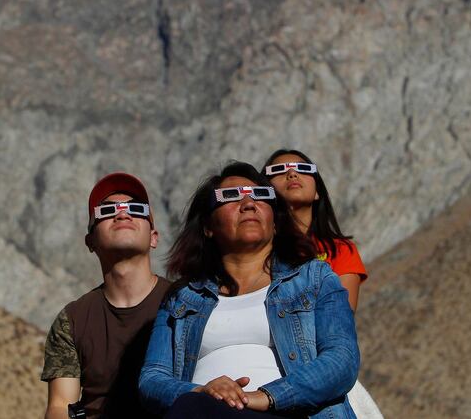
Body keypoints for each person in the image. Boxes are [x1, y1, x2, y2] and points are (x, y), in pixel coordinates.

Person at [139, 161, 359, 418]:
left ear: (275, 223)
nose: (249, 203)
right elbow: (152, 379)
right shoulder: (182, 298)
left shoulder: (315, 278)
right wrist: (200, 392)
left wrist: (267, 396)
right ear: (208, 227)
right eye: (230, 196)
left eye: (261, 195)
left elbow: (342, 360)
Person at [262, 149, 382, 419]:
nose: (292, 173)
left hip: (317, 363)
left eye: (303, 169)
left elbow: (340, 316)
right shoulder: (256, 253)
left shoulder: (340, 250)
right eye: (278, 171)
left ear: (318, 192)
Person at [41, 172, 170, 419]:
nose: (122, 214)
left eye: (135, 208)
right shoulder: (72, 320)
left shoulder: (185, 301)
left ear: (154, 237)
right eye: (107, 212)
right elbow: (59, 406)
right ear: (90, 241)